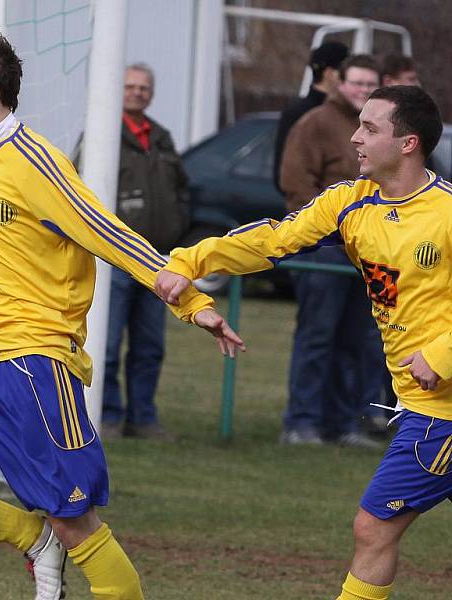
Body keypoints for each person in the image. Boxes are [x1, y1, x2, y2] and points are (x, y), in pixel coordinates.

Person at [0, 28, 244, 600]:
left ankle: (61, 543)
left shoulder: (37, 163)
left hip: (35, 368)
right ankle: (31, 537)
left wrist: (192, 301)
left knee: (77, 525)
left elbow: (109, 234)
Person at [157, 84, 448, 600]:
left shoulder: (446, 213)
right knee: (374, 529)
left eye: (370, 128)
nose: (355, 137)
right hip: (422, 403)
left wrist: (443, 355)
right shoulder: (350, 203)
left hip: (441, 410)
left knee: (373, 527)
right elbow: (272, 238)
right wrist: (192, 260)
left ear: (408, 144)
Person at [75, 63, 190, 439]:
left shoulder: (161, 137)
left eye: (144, 87)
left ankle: (143, 418)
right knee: (105, 343)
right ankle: (106, 416)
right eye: (130, 86)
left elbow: (180, 189)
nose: (138, 92)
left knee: (150, 345)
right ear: (117, 90)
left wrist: (179, 225)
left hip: (158, 260)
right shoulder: (99, 134)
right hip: (115, 261)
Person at [278, 54, 385, 448]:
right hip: (322, 252)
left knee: (356, 339)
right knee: (317, 337)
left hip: (368, 255)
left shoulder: (379, 128)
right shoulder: (316, 123)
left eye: (369, 84)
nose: (361, 90)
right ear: (340, 82)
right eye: (355, 82)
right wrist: (328, 234)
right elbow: (295, 185)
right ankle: (301, 422)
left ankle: (344, 423)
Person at [273, 41, 349, 194]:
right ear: (329, 73)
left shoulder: (348, 112)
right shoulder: (301, 113)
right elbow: (287, 173)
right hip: (318, 211)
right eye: (345, 72)